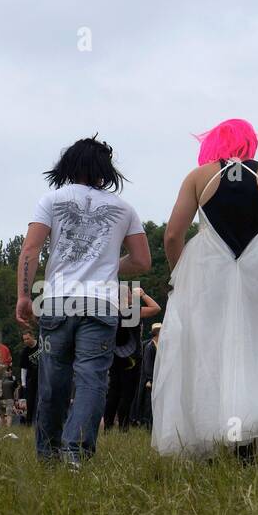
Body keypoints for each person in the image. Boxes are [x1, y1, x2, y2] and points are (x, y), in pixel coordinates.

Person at [150, 118, 258, 458]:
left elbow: (172, 235)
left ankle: (210, 437)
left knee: (208, 352)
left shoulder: (198, 177)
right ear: (249, 143)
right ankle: (252, 434)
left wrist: (180, 274)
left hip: (209, 270)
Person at [15, 135, 150, 464]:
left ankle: (48, 456)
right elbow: (143, 261)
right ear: (105, 169)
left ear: (70, 165)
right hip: (101, 303)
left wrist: (23, 294)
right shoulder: (124, 209)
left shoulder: (51, 200)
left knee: (53, 381)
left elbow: (30, 250)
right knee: (92, 380)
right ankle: (75, 453)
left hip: (58, 300)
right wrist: (109, 267)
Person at [103, 285, 160, 430]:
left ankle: (108, 426)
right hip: (132, 358)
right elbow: (156, 308)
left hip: (114, 356)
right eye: (129, 293)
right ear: (126, 297)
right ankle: (123, 426)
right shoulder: (133, 311)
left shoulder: (110, 312)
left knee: (113, 392)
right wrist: (143, 294)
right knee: (127, 393)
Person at [132, 322, 161, 428]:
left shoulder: (158, 346)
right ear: (157, 333)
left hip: (155, 379)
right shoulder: (150, 347)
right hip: (150, 380)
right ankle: (146, 422)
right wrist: (150, 379)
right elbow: (148, 365)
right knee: (147, 403)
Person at [15, 329, 40, 426]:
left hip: (43, 377)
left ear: (33, 337)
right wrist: (23, 383)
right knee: (30, 401)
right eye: (24, 340)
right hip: (31, 378)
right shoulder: (25, 352)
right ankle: (29, 422)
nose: (26, 341)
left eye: (28, 339)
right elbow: (23, 368)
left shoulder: (41, 346)